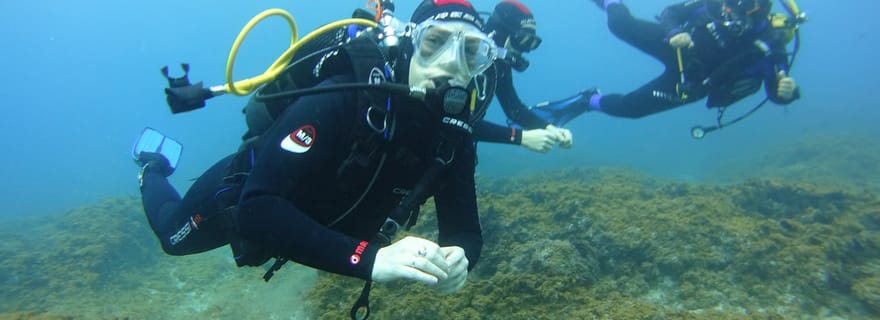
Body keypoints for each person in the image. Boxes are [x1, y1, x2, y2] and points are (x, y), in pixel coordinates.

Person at [135, 0, 493, 308]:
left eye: (472, 52)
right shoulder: (344, 97)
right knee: (171, 239)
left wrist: (461, 258)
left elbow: (465, 231)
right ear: (409, 44)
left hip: (315, 233)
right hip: (237, 197)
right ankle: (153, 166)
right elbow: (256, 209)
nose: (452, 63)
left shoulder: (453, 136)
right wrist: (369, 259)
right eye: (434, 43)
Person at [579, 0, 799, 119]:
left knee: (632, 108)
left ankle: (588, 101)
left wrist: (788, 93)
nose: (728, 10)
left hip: (694, 83)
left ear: (761, 9)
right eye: (728, 3)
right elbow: (670, 12)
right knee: (620, 25)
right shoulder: (712, 6)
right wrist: (674, 31)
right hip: (678, 46)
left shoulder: (771, 45)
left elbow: (776, 91)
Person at [471, 0, 576, 153]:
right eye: (523, 39)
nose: (525, 50)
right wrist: (520, 137)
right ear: (500, 32)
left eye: (531, 42)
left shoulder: (498, 65)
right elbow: (453, 121)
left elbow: (514, 109)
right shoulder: (464, 60)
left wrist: (549, 128)